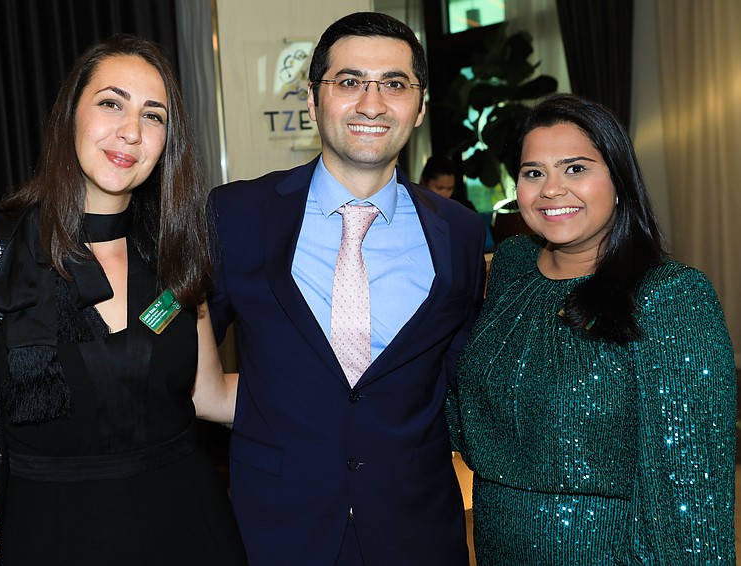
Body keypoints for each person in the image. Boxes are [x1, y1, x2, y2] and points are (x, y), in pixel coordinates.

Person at [0, 34, 247, 565]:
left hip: (190, 529)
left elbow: (209, 394)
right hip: (46, 536)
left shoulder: (176, 252)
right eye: (111, 103)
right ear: (70, 116)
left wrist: (348, 390)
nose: (131, 131)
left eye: (154, 116)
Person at [208, 12, 487, 566]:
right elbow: (174, 350)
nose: (371, 103)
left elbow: (458, 378)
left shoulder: (458, 232)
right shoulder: (237, 215)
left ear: (420, 106)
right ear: (313, 100)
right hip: (277, 529)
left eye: (395, 84)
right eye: (350, 81)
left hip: (417, 529)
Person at [447, 93, 736, 564]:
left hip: (609, 551)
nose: (551, 190)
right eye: (533, 172)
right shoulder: (512, 267)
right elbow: (473, 406)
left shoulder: (671, 296)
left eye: (576, 168)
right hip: (497, 542)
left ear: (619, 179)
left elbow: (690, 489)